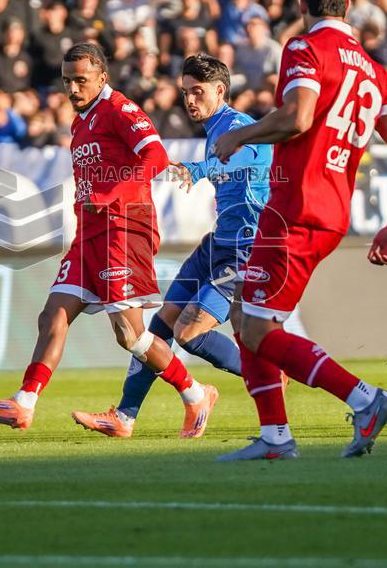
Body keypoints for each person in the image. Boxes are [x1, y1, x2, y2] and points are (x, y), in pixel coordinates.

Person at [212, 0, 387, 461]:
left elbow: (298, 117)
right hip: (329, 213)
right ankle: (275, 437)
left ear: (301, 3)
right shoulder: (374, 71)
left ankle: (365, 399)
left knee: (258, 330)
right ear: (347, 3)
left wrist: (240, 133)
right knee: (245, 314)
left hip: (295, 209)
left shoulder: (305, 47)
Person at [0, 43, 218, 437]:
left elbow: (154, 156)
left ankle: (194, 393)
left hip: (123, 228)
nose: (72, 88)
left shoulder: (119, 109)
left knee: (130, 335)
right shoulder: (81, 121)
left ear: (102, 76)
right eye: (67, 80)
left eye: (80, 80)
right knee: (53, 314)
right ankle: (23, 404)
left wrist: (111, 194)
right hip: (89, 233)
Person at [71, 54, 275, 437]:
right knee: (160, 326)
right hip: (217, 243)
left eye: (197, 92)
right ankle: (125, 417)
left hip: (247, 246)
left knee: (189, 333)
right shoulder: (215, 129)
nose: (190, 100)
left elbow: (257, 153)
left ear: (220, 90)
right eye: (185, 93)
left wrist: (202, 169)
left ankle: (266, 377)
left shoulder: (238, 125)